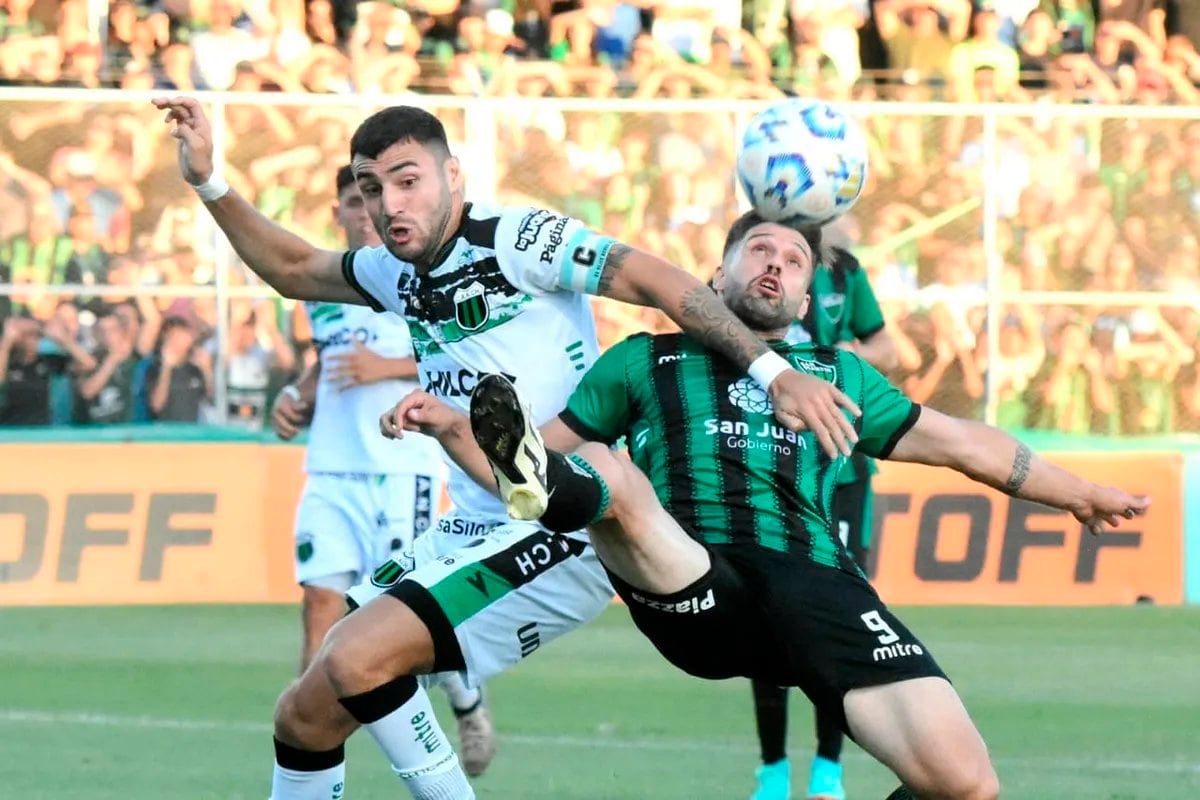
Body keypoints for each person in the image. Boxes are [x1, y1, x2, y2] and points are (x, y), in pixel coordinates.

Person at [153, 95, 859, 800]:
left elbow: (657, 281)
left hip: (567, 517)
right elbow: (293, 267)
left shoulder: (518, 240)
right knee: (305, 713)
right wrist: (210, 180)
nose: (387, 204)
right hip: (478, 520)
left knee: (361, 659)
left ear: (452, 177)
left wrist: (775, 371)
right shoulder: (391, 273)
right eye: (371, 189)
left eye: (408, 180)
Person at [385, 212, 1148, 800]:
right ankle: (579, 498)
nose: (774, 265)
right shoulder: (646, 359)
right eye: (759, 251)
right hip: (691, 575)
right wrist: (455, 427)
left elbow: (962, 445)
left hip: (816, 583)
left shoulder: (837, 374)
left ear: (808, 297)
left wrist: (1079, 494)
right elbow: (522, 458)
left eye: (792, 261)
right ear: (715, 273)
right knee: (600, 471)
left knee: (966, 783)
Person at [268, 164, 495, 776]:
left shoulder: (417, 278)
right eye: (352, 201)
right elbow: (330, 361)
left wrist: (385, 370)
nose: (364, 212)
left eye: (372, 199)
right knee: (320, 599)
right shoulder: (324, 290)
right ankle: (311, 732)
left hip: (405, 469)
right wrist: (298, 394)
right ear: (339, 211)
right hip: (333, 468)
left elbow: (454, 363)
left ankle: (466, 701)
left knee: (405, 616)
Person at [753, 241, 898, 800]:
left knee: (841, 610)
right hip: (768, 460)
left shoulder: (846, 269)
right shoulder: (753, 266)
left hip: (842, 468)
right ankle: (770, 772)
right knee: (767, 610)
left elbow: (884, 343)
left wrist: (829, 363)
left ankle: (828, 773)